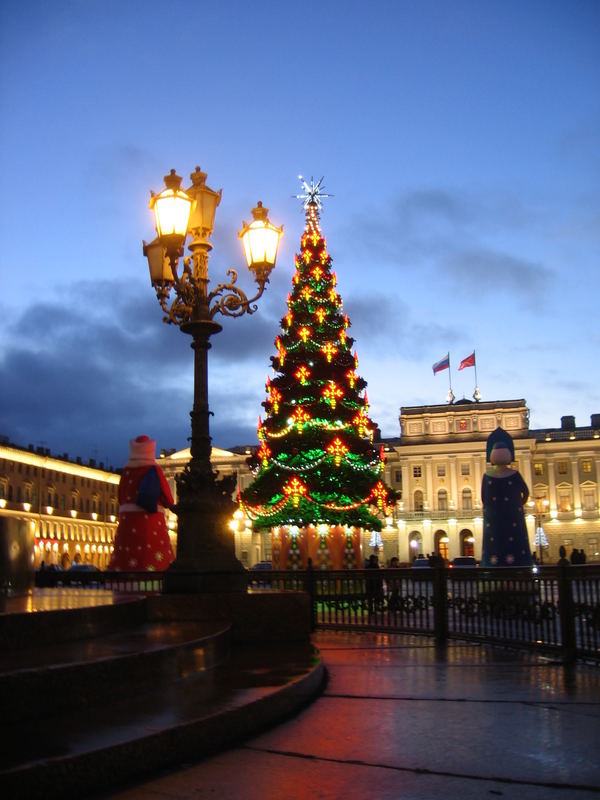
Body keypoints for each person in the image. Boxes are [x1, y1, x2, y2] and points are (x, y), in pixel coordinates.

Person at [109, 435, 175, 571]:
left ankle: (123, 584)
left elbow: (120, 496)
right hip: (151, 521)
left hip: (127, 521)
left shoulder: (126, 471)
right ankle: (153, 586)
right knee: (153, 558)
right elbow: (168, 498)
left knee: (127, 558)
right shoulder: (154, 469)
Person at [481, 427, 533, 567]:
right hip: (513, 516)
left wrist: (489, 509)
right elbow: (526, 492)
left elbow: (483, 498)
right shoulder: (514, 474)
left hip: (493, 519)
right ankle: (521, 569)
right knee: (516, 543)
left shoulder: (487, 476)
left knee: (494, 544)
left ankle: (492, 573)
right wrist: (519, 505)